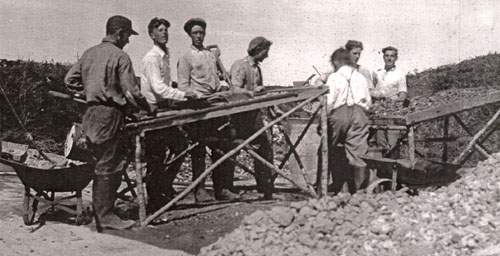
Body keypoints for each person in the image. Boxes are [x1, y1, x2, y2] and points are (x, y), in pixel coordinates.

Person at [65, 15, 148, 230]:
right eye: (128, 35)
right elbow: (131, 91)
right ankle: (105, 215)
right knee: (109, 164)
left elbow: (69, 80)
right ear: (120, 33)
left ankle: (99, 210)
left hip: (90, 113)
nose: (128, 40)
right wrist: (146, 107)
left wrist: (89, 91)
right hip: (110, 115)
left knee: (98, 161)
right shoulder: (120, 56)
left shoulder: (89, 53)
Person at [140, 17, 198, 213]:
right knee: (155, 157)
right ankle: (154, 202)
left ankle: (163, 187)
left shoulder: (165, 54)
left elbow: (166, 84)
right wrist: (183, 94)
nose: (164, 33)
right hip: (153, 110)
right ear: (152, 34)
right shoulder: (152, 57)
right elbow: (158, 87)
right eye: (160, 30)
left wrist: (177, 91)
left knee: (180, 146)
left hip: (164, 108)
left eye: (166, 30)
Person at [177, 18, 239, 201]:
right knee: (199, 149)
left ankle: (222, 189)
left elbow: (218, 79)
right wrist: (195, 95)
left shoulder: (211, 55)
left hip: (216, 105)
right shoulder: (186, 57)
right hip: (199, 106)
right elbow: (182, 86)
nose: (198, 36)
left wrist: (222, 89)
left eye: (201, 33)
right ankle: (200, 190)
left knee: (223, 145)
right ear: (189, 35)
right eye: (195, 33)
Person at [229, 36, 274, 199]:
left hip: (253, 115)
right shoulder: (240, 65)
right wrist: (252, 92)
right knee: (231, 149)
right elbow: (234, 89)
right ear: (258, 50)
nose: (267, 55)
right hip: (239, 116)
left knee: (264, 147)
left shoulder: (257, 68)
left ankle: (264, 185)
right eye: (265, 52)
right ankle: (227, 187)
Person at [325, 47, 372, 192]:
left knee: (328, 148)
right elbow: (368, 103)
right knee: (358, 153)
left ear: (336, 62)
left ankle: (332, 186)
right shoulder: (361, 77)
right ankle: (359, 190)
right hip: (359, 114)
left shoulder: (334, 77)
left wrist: (325, 120)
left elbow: (329, 101)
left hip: (339, 115)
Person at [371, 46, 408, 158]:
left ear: (396, 58)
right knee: (380, 141)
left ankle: (394, 172)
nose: (389, 58)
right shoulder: (378, 73)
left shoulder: (400, 74)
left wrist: (395, 104)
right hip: (379, 111)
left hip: (393, 111)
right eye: (387, 56)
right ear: (383, 57)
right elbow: (372, 90)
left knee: (393, 144)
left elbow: (403, 93)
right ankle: (382, 172)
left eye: (392, 56)